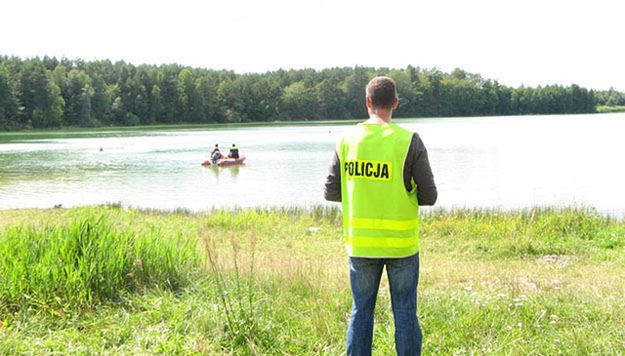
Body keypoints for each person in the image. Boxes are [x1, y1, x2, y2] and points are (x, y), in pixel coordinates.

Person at [324, 76, 437, 356]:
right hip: (401, 247)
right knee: (405, 311)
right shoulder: (408, 141)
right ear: (395, 103)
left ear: (368, 102)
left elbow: (330, 192)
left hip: (361, 245)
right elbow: (429, 196)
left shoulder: (347, 140)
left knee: (361, 310)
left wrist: (360, 189)